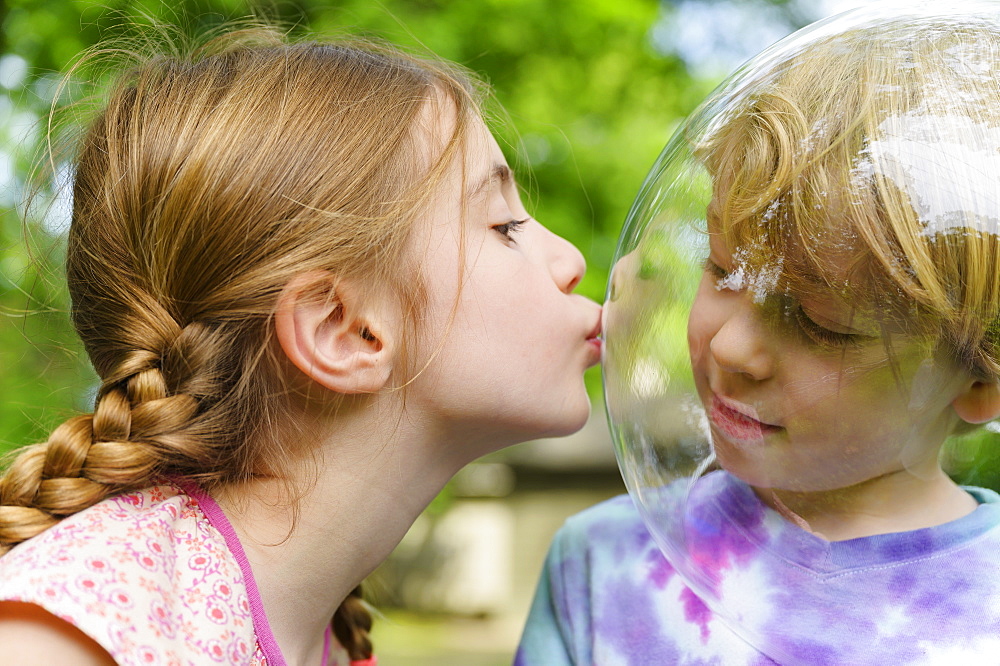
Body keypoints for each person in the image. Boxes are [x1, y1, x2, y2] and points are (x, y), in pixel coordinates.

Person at [0, 26, 603, 666]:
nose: (571, 259)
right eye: (504, 225)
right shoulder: (67, 633)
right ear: (344, 331)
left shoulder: (328, 631)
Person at [517, 5, 1000, 665]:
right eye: (722, 268)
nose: (729, 348)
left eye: (816, 321)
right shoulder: (600, 567)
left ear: (979, 379)